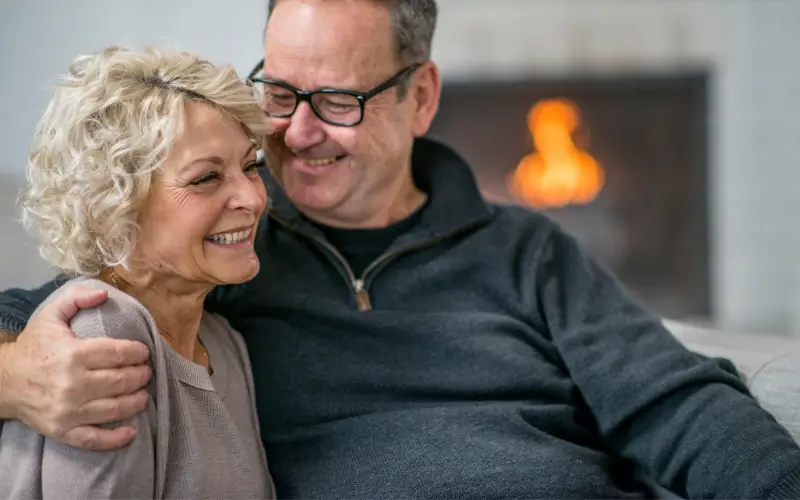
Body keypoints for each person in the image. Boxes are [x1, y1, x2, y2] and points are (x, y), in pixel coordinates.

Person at [0, 0, 799, 498]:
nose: (296, 132)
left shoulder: (527, 250)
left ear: (420, 97)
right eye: (279, 93)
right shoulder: (220, 247)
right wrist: (16, 374)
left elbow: (678, 404)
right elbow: (56, 312)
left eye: (338, 100)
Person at [0, 46, 275, 499]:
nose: (252, 198)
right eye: (206, 178)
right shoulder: (103, 334)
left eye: (251, 166)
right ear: (111, 209)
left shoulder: (226, 344)